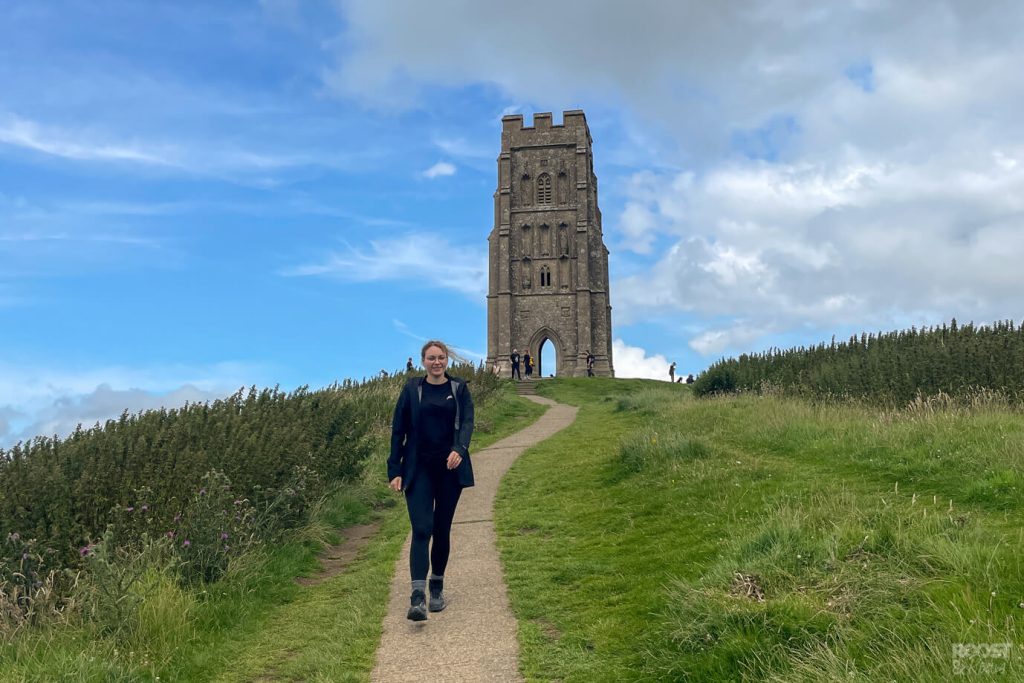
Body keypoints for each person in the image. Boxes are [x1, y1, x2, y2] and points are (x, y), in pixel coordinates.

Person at [388, 340, 475, 621]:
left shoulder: (458, 388)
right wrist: (395, 469)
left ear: (447, 360)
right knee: (422, 528)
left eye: (441, 358)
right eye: (431, 358)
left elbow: (468, 423)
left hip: (449, 469)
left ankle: (436, 585)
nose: (436, 362)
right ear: (423, 361)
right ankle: (417, 596)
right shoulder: (413, 389)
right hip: (418, 468)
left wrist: (459, 450)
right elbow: (398, 429)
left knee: (441, 528)